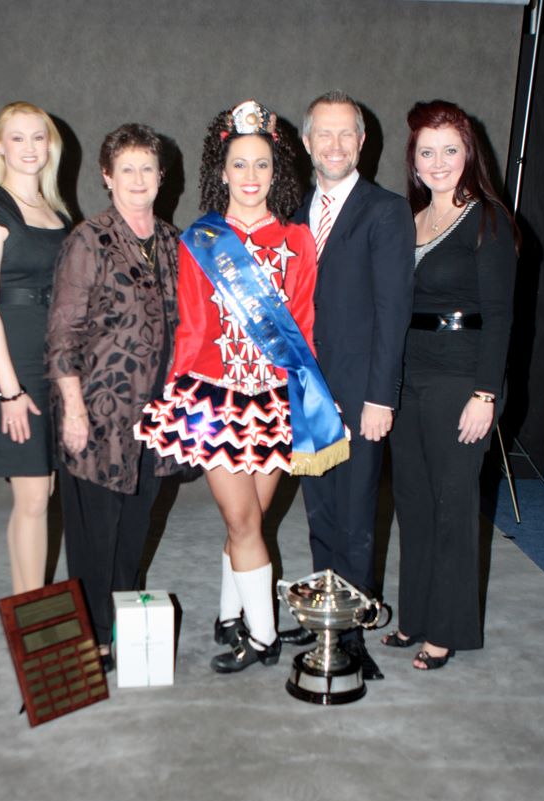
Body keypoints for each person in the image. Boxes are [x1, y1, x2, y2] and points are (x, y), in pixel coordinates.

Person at [136, 100, 348, 673]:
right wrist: (175, 396)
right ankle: (264, 636)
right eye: (239, 165)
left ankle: (231, 615)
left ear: (276, 172)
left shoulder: (298, 240)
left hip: (275, 400)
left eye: (262, 165)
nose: (251, 177)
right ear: (222, 172)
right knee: (242, 521)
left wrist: (308, 394)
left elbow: (302, 323)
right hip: (215, 398)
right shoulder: (200, 240)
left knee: (250, 519)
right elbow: (191, 326)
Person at [382, 100, 517, 671]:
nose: (438, 162)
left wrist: (486, 394)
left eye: (450, 150)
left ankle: (447, 628)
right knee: (412, 504)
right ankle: (414, 616)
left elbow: (502, 316)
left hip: (462, 379)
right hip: (409, 377)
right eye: (427, 152)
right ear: (413, 159)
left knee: (452, 506)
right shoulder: (409, 222)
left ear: (469, 154)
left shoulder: (488, 220)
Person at [46, 123, 180, 671]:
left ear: (161, 176)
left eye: (147, 168)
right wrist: (73, 409)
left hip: (155, 415)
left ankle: (125, 624)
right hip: (99, 411)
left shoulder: (171, 240)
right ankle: (93, 636)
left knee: (135, 526)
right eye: (127, 169)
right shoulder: (89, 239)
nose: (138, 178)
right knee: (94, 532)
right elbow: (63, 332)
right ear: (107, 176)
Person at [290, 90, 415, 680]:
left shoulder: (385, 212)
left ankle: (354, 630)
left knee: (357, 514)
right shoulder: (292, 213)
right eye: (325, 133)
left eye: (347, 134)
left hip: (361, 392)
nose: (335, 145)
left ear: (362, 143)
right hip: (305, 392)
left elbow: (393, 313)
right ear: (307, 142)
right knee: (319, 511)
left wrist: (380, 397)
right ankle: (325, 614)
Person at [0, 101, 69, 594]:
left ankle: (26, 606)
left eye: (38, 137)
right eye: (18, 137)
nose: (29, 147)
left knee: (41, 492)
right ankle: (35, 614)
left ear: (50, 146)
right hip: (12, 367)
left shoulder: (56, 212)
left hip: (51, 364)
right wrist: (10, 391)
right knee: (31, 498)